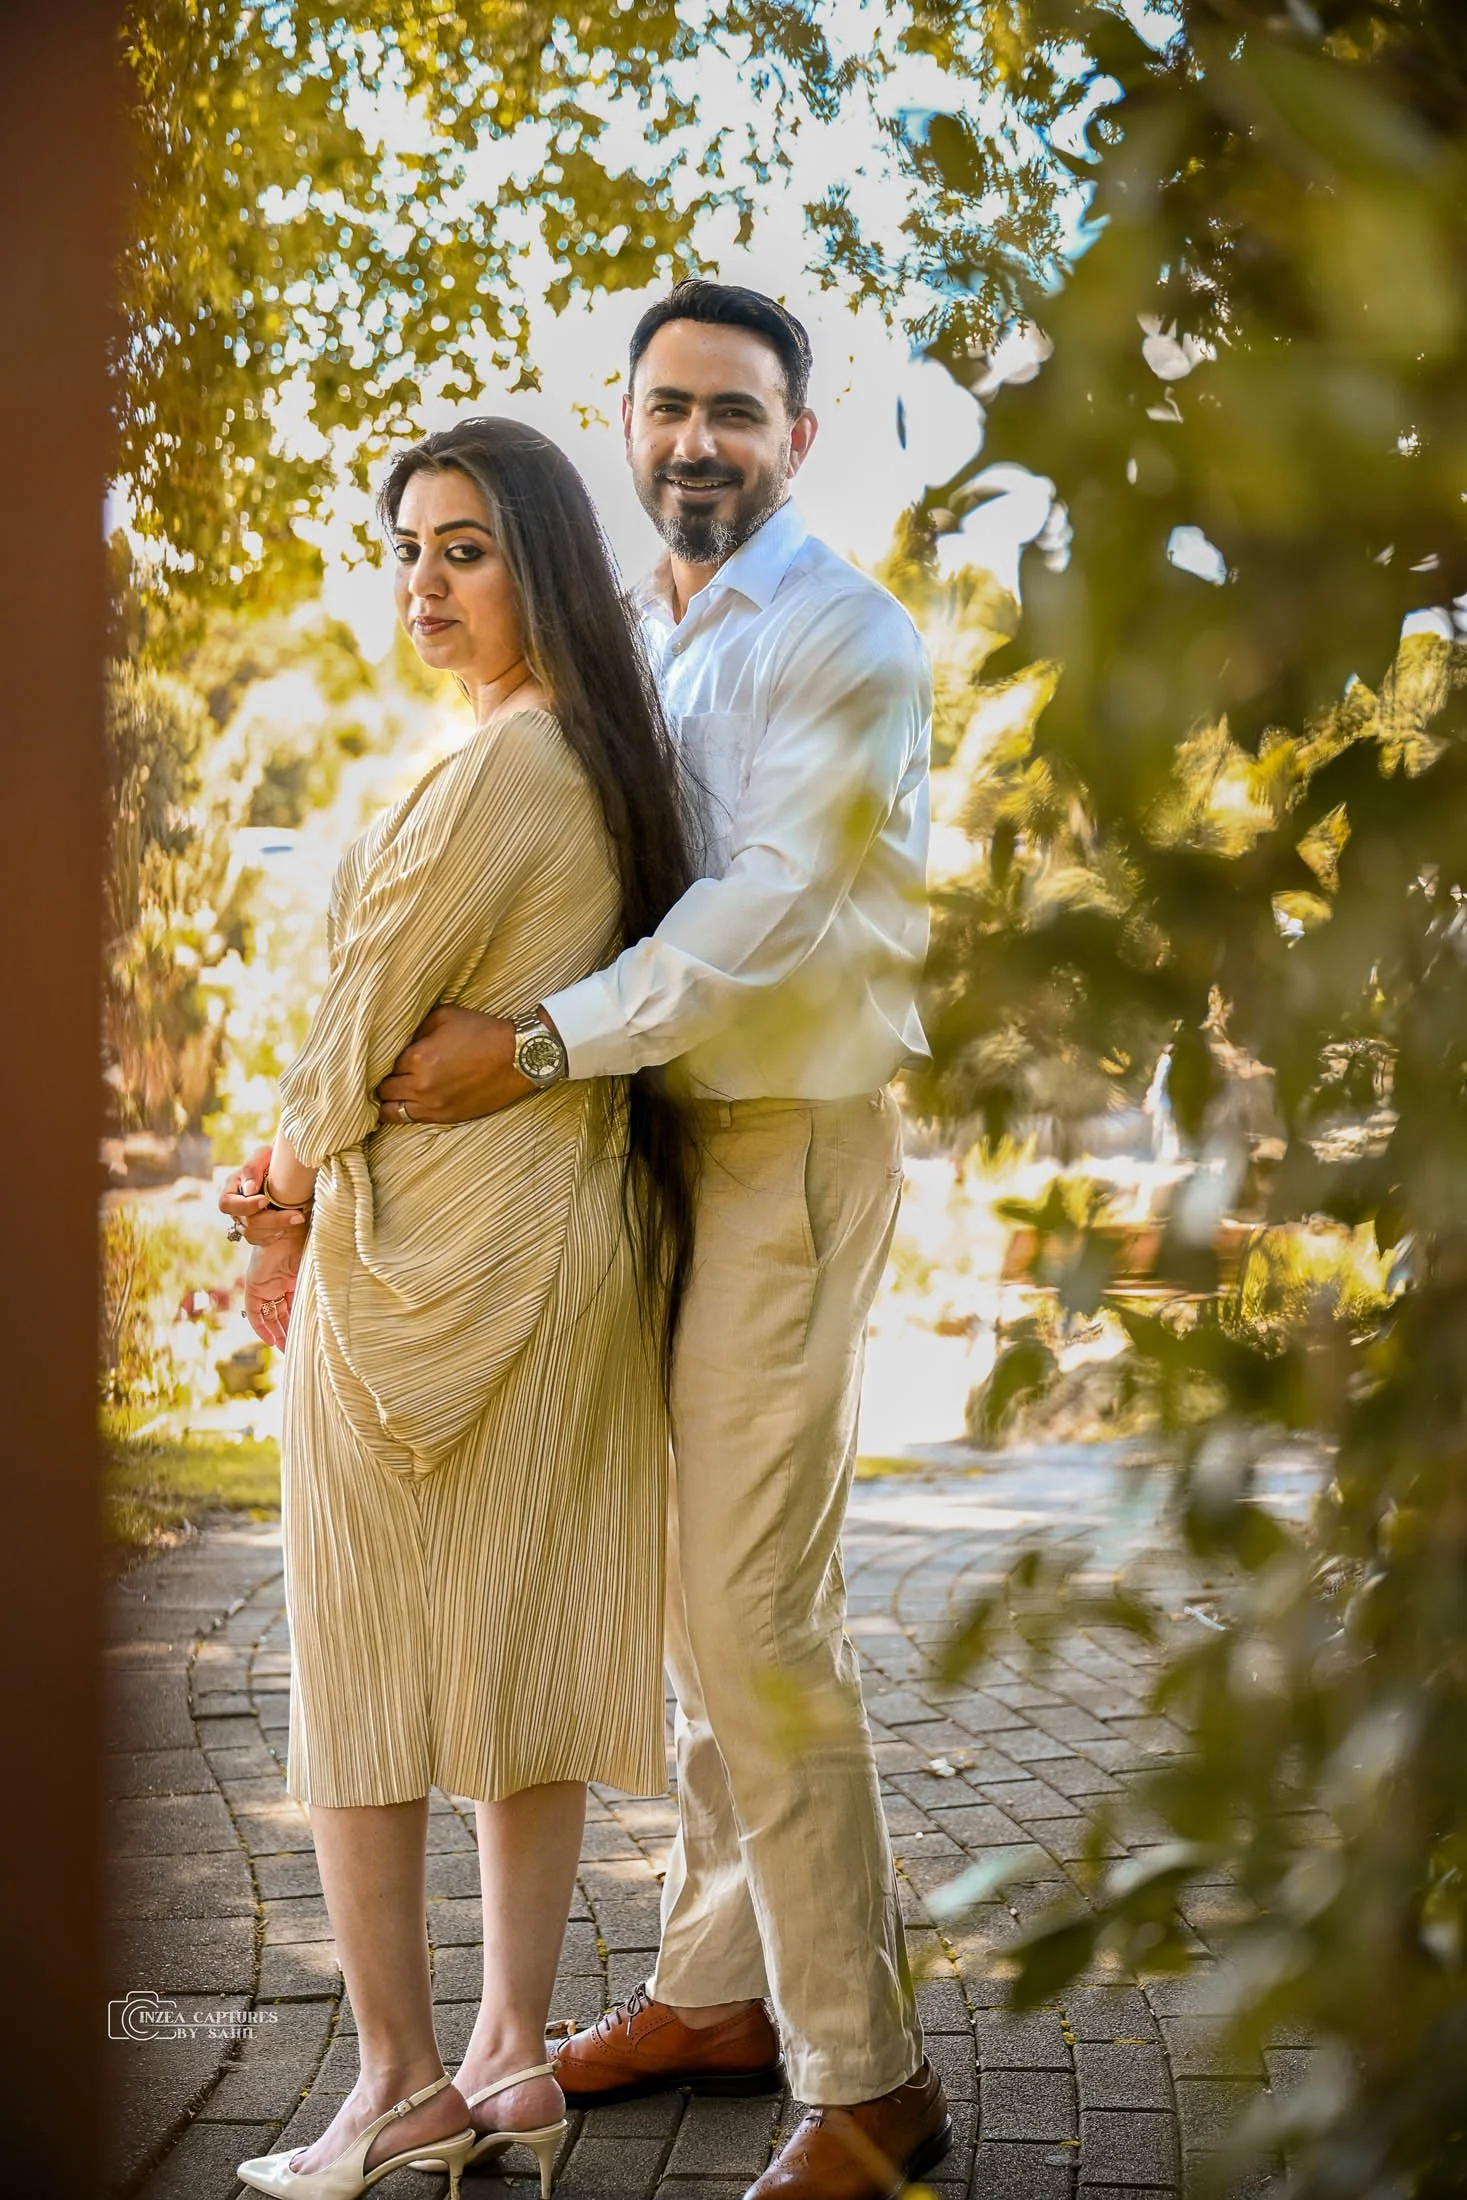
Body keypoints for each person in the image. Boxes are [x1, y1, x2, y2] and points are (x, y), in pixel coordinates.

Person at [373, 280, 951, 2200]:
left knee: (755, 1618)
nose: (696, 439)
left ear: (794, 437)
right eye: (667, 407)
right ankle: (716, 1990)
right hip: (653, 1154)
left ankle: (866, 2082)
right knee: (686, 1598)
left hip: (782, 1146)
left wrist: (535, 1044)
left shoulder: (846, 637)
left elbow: (772, 910)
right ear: (625, 432)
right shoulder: (646, 639)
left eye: (736, 410)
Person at [218, 417, 698, 2200]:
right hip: (557, 1251)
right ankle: (506, 2057)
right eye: (407, 545)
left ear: (544, 565)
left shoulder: (508, 768)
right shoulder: (579, 754)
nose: (423, 579)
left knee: (358, 1665)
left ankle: (398, 2081)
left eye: (467, 547)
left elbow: (358, 1018)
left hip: (441, 1269)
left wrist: (272, 1196)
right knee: (512, 1646)